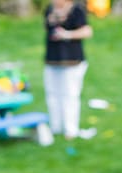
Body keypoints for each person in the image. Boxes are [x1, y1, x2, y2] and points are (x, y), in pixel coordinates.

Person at [42, 0, 93, 140]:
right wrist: (53, 17)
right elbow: (47, 27)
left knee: (70, 95)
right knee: (52, 94)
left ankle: (71, 129)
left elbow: (87, 31)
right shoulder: (49, 9)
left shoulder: (77, 10)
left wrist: (67, 34)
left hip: (72, 60)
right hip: (52, 59)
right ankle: (55, 126)